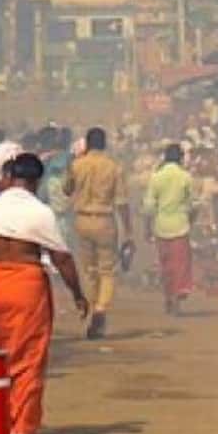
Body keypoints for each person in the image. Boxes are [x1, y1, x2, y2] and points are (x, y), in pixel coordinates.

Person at [0, 153, 88, 434]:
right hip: (27, 284)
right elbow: (61, 258)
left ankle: (1, 421)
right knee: (29, 357)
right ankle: (22, 428)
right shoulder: (40, 213)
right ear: (37, 181)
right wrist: (77, 293)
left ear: (9, 177)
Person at [63, 127, 131, 339]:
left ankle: (93, 308)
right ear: (104, 144)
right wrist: (128, 230)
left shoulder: (76, 165)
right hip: (104, 220)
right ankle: (100, 308)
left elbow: (66, 189)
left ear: (88, 144)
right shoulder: (114, 167)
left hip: (82, 219)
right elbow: (122, 202)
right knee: (107, 270)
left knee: (89, 270)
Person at [143, 143, 196, 314]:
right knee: (180, 264)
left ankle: (169, 295)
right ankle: (177, 296)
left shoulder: (156, 177)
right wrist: (191, 221)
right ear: (180, 158)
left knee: (165, 264)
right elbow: (193, 204)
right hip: (180, 226)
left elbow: (149, 207)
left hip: (161, 226)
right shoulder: (185, 177)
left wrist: (147, 227)